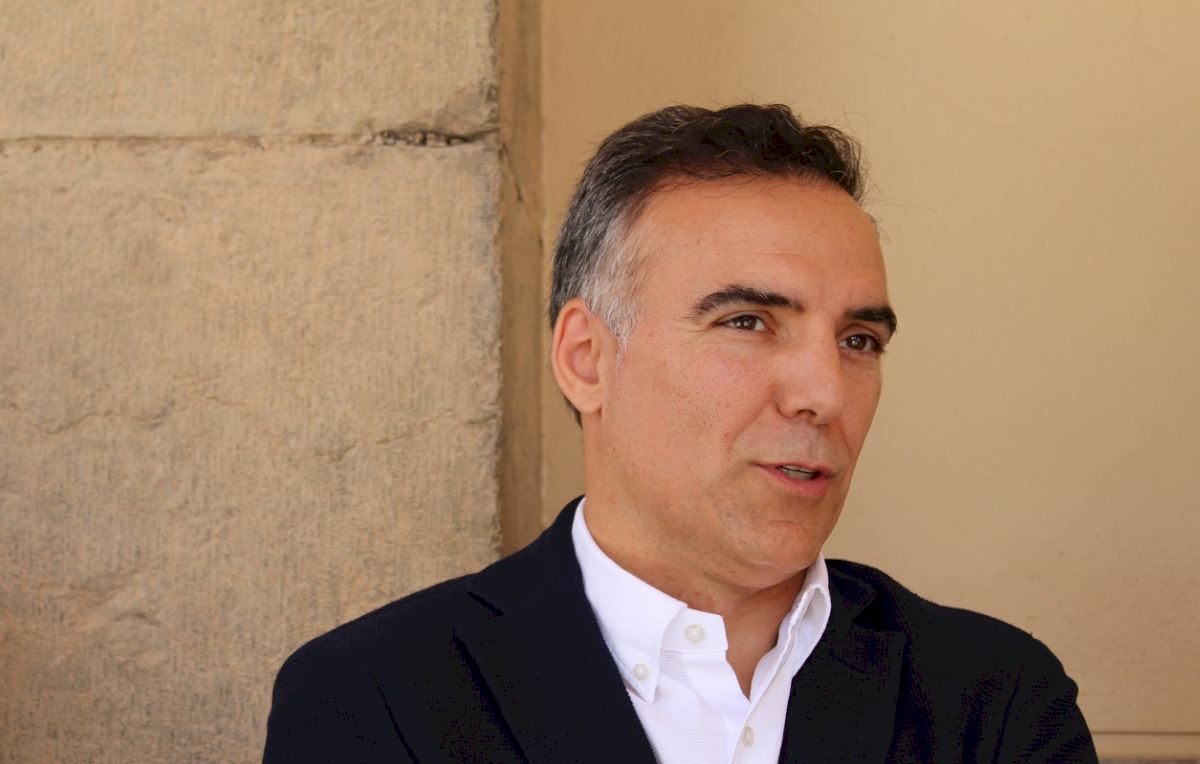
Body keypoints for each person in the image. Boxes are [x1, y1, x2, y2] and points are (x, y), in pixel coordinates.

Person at [263, 104, 1097, 763]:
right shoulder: (376, 698)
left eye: (858, 340)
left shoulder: (994, 702)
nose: (824, 392)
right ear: (587, 359)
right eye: (748, 322)